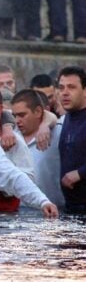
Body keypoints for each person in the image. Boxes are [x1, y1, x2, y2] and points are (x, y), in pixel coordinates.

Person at [11, 89, 66, 207]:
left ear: (38, 112)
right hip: (17, 212)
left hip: (53, 211)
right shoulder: (10, 136)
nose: (17, 120)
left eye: (22, 115)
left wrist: (46, 124)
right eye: (14, 116)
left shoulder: (58, 133)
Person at [57, 66, 86, 214]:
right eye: (61, 88)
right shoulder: (68, 117)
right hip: (71, 208)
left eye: (72, 87)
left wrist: (81, 173)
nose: (65, 93)